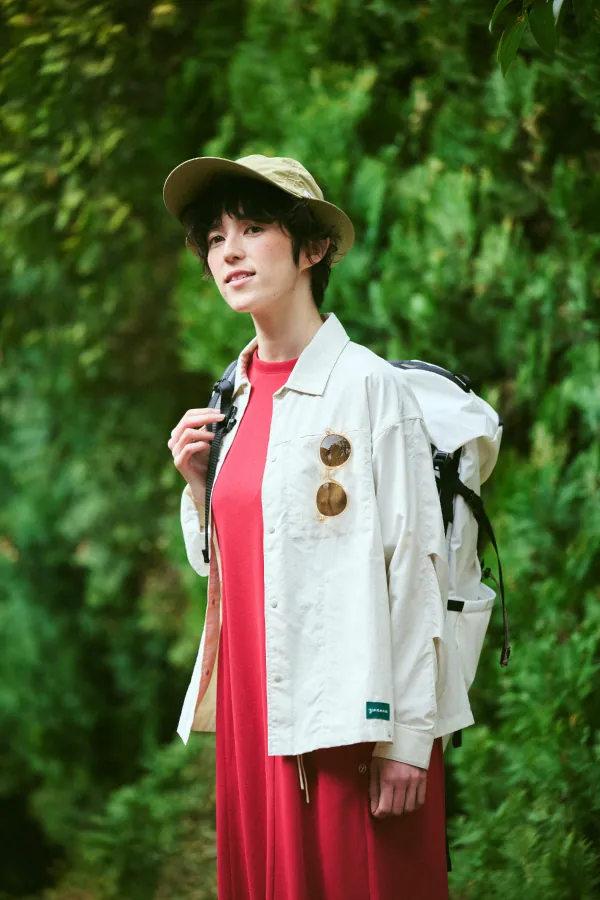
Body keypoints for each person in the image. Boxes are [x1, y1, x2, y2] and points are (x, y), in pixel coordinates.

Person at [165, 155, 473, 900]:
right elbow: (234, 566)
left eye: (253, 228)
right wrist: (200, 488)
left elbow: (416, 567)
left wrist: (409, 739)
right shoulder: (232, 395)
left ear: (313, 248)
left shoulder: (368, 386)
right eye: (215, 237)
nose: (229, 251)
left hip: (351, 725)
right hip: (256, 718)